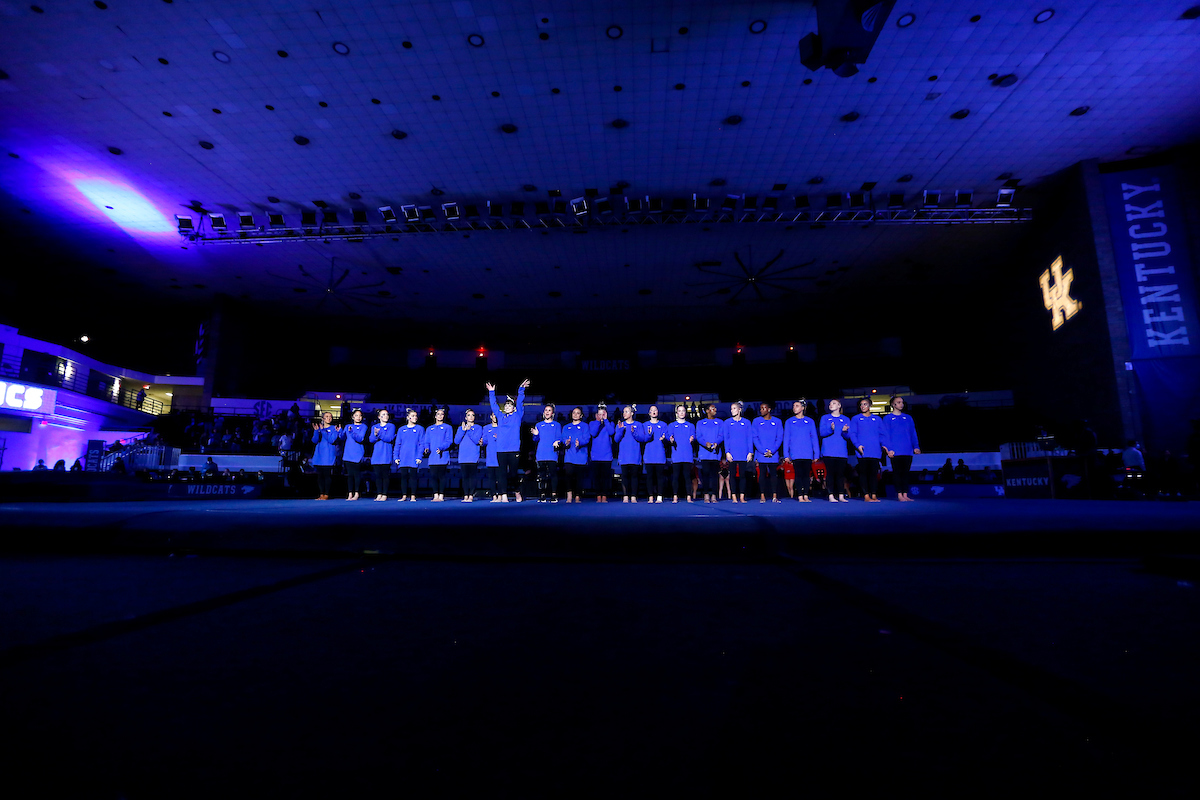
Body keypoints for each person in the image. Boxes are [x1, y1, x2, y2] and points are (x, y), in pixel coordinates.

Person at [487, 379, 530, 502]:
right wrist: (491, 392)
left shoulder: (517, 416)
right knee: (501, 473)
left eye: (509, 405)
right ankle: (504, 494)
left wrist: (521, 389)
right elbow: (494, 406)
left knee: (513, 474)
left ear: (513, 408)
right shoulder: (500, 416)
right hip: (501, 449)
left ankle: (517, 491)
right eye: (505, 405)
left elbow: (520, 402)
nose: (507, 407)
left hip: (513, 449)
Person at [882, 395, 921, 501]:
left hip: (907, 450)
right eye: (898, 402)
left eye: (902, 402)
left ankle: (905, 494)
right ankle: (899, 494)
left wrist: (916, 446)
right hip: (895, 450)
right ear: (893, 404)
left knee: (906, 473)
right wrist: (888, 449)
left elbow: (913, 433)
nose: (901, 404)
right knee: (897, 473)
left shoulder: (908, 418)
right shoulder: (888, 418)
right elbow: (885, 434)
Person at [783, 398, 820, 503]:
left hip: (807, 453)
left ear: (803, 408)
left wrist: (816, 453)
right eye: (794, 406)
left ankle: (806, 495)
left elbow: (814, 438)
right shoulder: (789, 421)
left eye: (797, 406)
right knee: (798, 475)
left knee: (806, 475)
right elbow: (786, 439)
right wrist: (786, 454)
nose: (794, 408)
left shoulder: (810, 421)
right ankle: (800, 495)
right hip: (796, 453)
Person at [849, 398, 884, 502]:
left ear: (870, 406)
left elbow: (882, 434)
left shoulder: (877, 419)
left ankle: (874, 494)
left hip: (875, 451)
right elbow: (853, 434)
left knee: (873, 474)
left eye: (865, 404)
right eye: (861, 404)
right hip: (862, 451)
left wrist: (885, 445)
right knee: (863, 474)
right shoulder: (855, 419)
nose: (862, 406)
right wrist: (857, 445)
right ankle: (866, 495)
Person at [721, 401, 753, 503]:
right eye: (731, 409)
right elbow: (726, 438)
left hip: (743, 452)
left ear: (739, 410)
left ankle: (742, 496)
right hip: (732, 453)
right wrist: (727, 452)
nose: (732, 411)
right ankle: (734, 495)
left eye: (734, 408)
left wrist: (750, 452)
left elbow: (749, 438)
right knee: (733, 475)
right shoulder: (727, 422)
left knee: (743, 475)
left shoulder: (747, 422)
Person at [819, 399, 851, 502]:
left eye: (833, 403)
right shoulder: (825, 418)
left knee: (840, 474)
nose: (831, 405)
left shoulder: (845, 419)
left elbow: (848, 436)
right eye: (830, 403)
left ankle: (841, 495)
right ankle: (831, 495)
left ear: (839, 405)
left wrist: (845, 432)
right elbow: (822, 433)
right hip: (828, 451)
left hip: (841, 452)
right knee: (830, 474)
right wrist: (830, 429)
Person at [614, 405, 647, 502]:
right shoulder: (620, 424)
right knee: (624, 476)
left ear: (632, 413)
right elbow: (616, 439)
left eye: (626, 411)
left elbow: (642, 438)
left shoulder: (639, 424)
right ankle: (625, 496)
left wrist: (634, 433)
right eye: (623, 411)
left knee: (634, 476)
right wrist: (620, 430)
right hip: (624, 455)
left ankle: (633, 496)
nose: (624, 413)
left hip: (634, 454)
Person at [531, 403, 563, 502]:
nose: (547, 412)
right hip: (541, 454)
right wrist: (536, 435)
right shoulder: (539, 425)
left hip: (552, 454)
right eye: (546, 410)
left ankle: (554, 494)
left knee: (553, 474)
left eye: (549, 410)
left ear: (552, 413)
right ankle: (542, 494)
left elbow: (559, 437)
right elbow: (535, 439)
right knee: (541, 475)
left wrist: (557, 442)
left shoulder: (557, 425)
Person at [752, 401, 783, 503]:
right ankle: (762, 496)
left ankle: (774, 496)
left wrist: (772, 451)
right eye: (760, 408)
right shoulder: (756, 421)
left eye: (763, 408)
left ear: (769, 409)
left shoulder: (777, 422)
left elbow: (779, 438)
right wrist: (763, 451)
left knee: (774, 475)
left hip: (773, 454)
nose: (761, 410)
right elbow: (755, 438)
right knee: (762, 475)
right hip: (761, 454)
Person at [393, 408, 425, 502]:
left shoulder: (420, 429)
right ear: (408, 418)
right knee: (403, 477)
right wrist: (396, 456)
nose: (415, 417)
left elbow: (421, 444)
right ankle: (404, 495)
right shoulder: (401, 429)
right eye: (413, 416)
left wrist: (419, 456)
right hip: (403, 457)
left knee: (413, 477)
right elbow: (397, 444)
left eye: (416, 416)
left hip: (414, 456)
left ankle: (413, 496)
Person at [423, 406, 454, 502]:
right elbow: (426, 441)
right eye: (438, 414)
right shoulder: (429, 428)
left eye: (442, 414)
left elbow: (449, 441)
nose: (440, 416)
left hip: (443, 456)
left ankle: (441, 495)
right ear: (435, 416)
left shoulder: (448, 427)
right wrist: (426, 448)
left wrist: (441, 448)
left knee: (442, 476)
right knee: (433, 477)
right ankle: (435, 495)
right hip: (433, 457)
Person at [667, 404, 696, 504]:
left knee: (687, 477)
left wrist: (692, 438)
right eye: (680, 411)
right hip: (676, 455)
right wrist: (671, 439)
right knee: (675, 477)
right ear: (677, 413)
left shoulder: (690, 425)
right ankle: (675, 496)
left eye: (683, 411)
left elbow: (694, 436)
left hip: (687, 455)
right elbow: (669, 436)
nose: (682, 412)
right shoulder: (672, 425)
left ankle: (689, 496)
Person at [561, 407, 591, 503]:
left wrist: (580, 443)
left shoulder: (585, 426)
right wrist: (567, 442)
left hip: (581, 455)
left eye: (578, 413)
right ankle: (569, 495)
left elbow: (587, 438)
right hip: (569, 455)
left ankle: (578, 495)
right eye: (574, 412)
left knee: (579, 477)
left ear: (581, 415)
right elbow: (563, 438)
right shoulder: (566, 427)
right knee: (568, 476)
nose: (575, 414)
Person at [696, 403, 724, 503]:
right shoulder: (700, 423)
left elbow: (721, 435)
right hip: (704, 454)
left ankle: (714, 495)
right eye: (712, 408)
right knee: (706, 475)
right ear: (707, 411)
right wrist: (705, 443)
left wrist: (717, 442)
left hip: (715, 454)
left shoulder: (720, 422)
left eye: (715, 408)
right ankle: (706, 494)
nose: (715, 410)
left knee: (714, 475)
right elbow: (698, 437)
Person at [588, 403, 616, 502]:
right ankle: (598, 495)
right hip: (596, 455)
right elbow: (593, 433)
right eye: (599, 414)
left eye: (603, 414)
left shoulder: (610, 423)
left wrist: (606, 420)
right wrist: (598, 422)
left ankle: (604, 495)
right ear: (596, 415)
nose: (601, 416)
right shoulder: (592, 423)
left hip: (606, 455)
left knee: (605, 477)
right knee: (596, 477)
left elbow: (611, 432)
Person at [339, 409, 369, 501]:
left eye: (360, 416)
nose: (358, 417)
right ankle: (350, 493)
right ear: (352, 417)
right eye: (356, 415)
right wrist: (340, 431)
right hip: (348, 453)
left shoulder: (364, 426)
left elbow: (360, 438)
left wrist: (352, 432)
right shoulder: (348, 426)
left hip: (357, 453)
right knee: (350, 475)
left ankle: (357, 493)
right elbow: (342, 437)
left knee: (356, 475)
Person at [455, 409, 484, 502]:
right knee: (465, 477)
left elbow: (476, 440)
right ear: (465, 417)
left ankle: (471, 495)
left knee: (472, 477)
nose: (471, 417)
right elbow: (456, 441)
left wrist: (469, 430)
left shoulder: (478, 428)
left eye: (472, 415)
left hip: (473, 456)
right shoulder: (460, 428)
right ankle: (465, 495)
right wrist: (463, 430)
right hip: (463, 456)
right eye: (469, 415)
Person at [642, 405, 669, 503]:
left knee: (660, 477)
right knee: (649, 477)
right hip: (649, 455)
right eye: (651, 410)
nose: (653, 412)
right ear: (649, 413)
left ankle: (659, 496)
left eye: (655, 410)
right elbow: (643, 439)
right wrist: (649, 435)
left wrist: (664, 439)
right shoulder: (644, 425)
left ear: (658, 412)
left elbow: (667, 440)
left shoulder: (663, 424)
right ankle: (650, 496)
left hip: (660, 454)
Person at [368, 409, 396, 501]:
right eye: (383, 414)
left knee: (385, 475)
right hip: (377, 454)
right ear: (379, 417)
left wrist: (379, 434)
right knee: (378, 476)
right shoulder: (374, 427)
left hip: (386, 454)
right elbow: (371, 439)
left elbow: (389, 438)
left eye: (387, 414)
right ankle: (379, 493)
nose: (386, 416)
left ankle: (384, 494)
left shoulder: (391, 426)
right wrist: (376, 435)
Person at [310, 412, 339, 500]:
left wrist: (323, 431)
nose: (329, 418)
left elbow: (331, 440)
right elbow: (314, 441)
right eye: (326, 417)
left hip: (328, 455)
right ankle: (321, 493)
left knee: (327, 475)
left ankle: (327, 494)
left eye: (330, 417)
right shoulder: (319, 428)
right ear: (322, 418)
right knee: (320, 476)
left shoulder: (334, 428)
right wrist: (316, 431)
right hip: (319, 454)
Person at [483, 412, 502, 502]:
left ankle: (501, 495)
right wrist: (481, 441)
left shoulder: (503, 428)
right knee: (492, 478)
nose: (495, 417)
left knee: (500, 477)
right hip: (490, 456)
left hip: (500, 456)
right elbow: (485, 441)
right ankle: (494, 495)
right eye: (493, 415)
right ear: (491, 417)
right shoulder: (486, 428)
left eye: (496, 415)